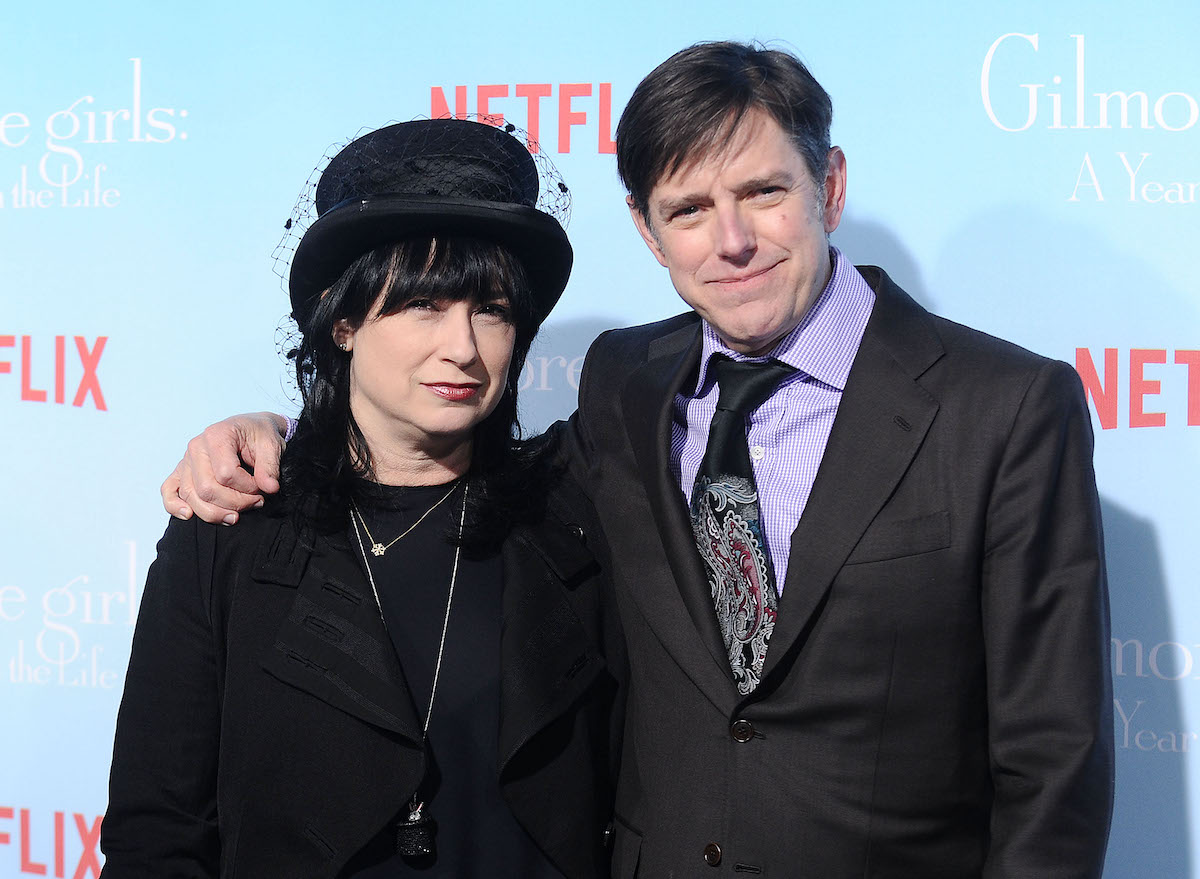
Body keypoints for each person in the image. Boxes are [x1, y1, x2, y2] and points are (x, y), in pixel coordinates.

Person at [161, 42, 1114, 877]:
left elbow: (1052, 765)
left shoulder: (1006, 405)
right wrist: (267, 429)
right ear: (646, 229)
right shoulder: (625, 383)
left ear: (829, 187)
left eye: (764, 193)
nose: (731, 240)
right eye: (689, 207)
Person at [102, 119, 623, 879]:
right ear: (342, 321)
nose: (464, 348)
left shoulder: (571, 513)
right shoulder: (232, 525)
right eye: (424, 306)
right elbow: (158, 830)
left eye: (494, 310)